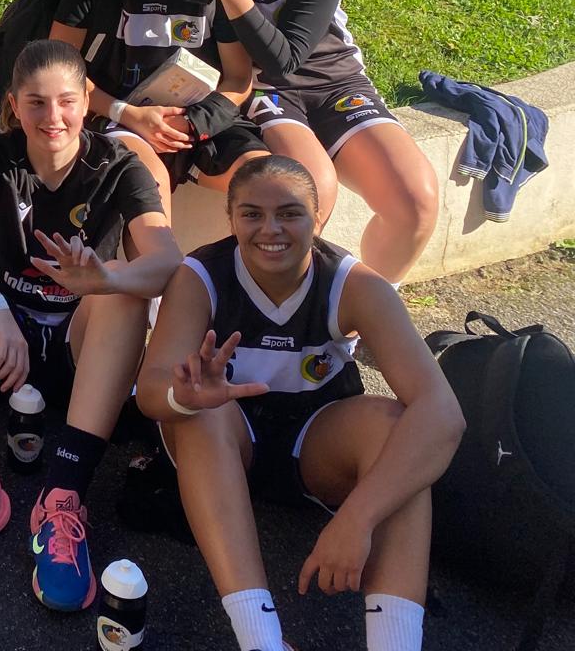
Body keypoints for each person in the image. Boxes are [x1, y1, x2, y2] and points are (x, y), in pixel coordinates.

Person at [136, 155, 463, 651]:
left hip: (315, 440)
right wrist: (182, 396)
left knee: (400, 430)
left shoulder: (355, 284)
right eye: (252, 214)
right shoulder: (200, 275)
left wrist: (357, 519)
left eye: (290, 213)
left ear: (319, 218)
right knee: (203, 413)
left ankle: (394, 642)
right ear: (231, 219)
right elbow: (150, 392)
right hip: (224, 445)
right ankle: (260, 640)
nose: (271, 229)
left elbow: (443, 414)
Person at [0, 39, 183, 612]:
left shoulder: (117, 165)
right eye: (35, 102)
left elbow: (166, 261)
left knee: (126, 293)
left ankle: (63, 498)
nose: (52, 117)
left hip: (82, 350)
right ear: (13, 104)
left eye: (66, 102)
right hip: (8, 349)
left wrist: (104, 277)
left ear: (86, 101)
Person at [185, 0, 438, 283]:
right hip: (266, 90)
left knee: (416, 202)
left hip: (336, 83)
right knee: (308, 193)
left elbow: (286, 57)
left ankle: (364, 309)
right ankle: (288, 312)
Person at [50, 0, 267, 214]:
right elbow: (58, 69)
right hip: (115, 115)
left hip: (196, 122)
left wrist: (192, 124)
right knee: (149, 187)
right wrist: (128, 114)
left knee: (267, 182)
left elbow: (238, 79)